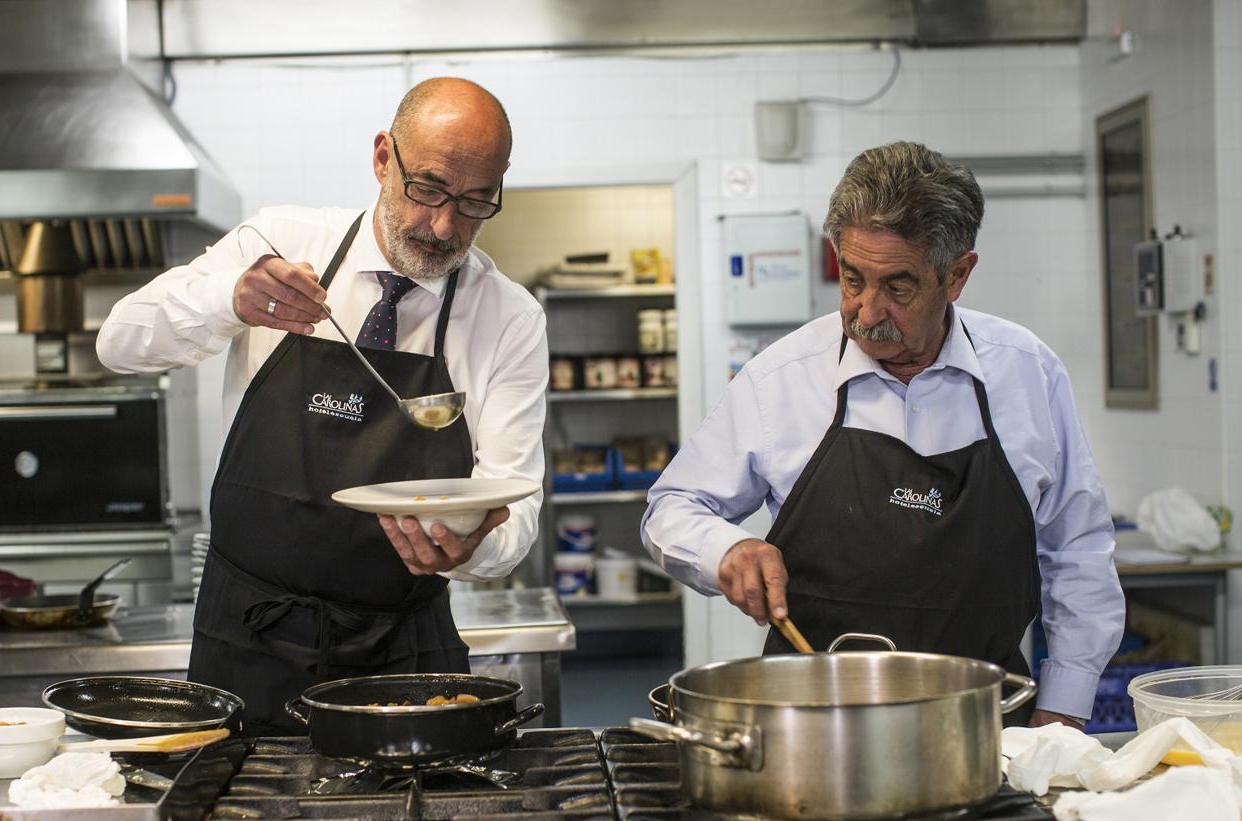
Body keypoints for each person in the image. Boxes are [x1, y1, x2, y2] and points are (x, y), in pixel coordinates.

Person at [97, 77, 547, 736]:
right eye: (427, 190)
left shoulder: (507, 317)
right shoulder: (284, 241)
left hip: (404, 653)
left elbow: (515, 504)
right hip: (245, 640)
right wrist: (228, 300)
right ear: (381, 158)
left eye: (476, 202)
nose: (445, 226)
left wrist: (470, 549)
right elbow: (120, 342)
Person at [641, 141, 1123, 729]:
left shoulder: (1026, 372)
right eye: (852, 279)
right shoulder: (781, 379)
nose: (866, 312)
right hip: (813, 727)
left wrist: (1063, 708)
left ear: (958, 276)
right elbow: (670, 508)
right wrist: (726, 549)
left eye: (898, 288)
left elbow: (1076, 549)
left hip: (987, 724)